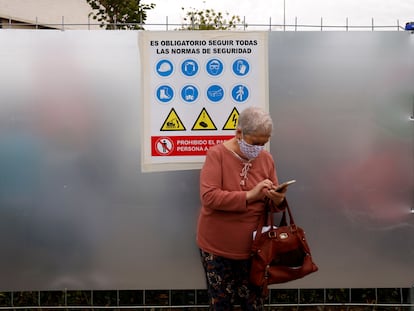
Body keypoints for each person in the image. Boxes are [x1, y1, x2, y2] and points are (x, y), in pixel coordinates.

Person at [196, 106, 287, 311]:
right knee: (222, 304)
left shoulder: (266, 159)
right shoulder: (216, 155)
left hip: (256, 249)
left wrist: (278, 199)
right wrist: (250, 195)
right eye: (255, 143)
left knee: (254, 304)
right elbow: (209, 197)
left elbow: (272, 205)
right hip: (217, 248)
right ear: (239, 133)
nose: (259, 148)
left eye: (264, 143)